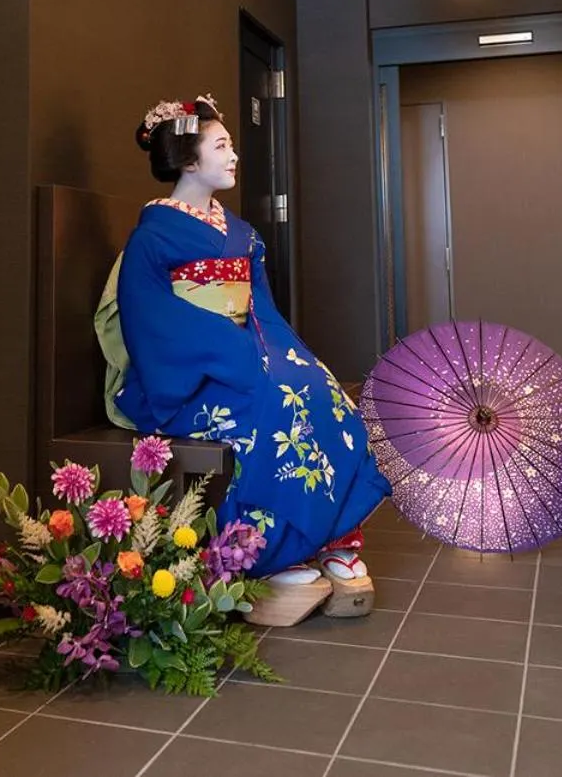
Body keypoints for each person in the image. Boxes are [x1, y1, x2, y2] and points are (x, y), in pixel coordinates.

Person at [95, 96, 389, 626]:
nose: (233, 157)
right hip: (189, 372)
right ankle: (265, 554)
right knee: (270, 412)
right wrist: (236, 354)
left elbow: (264, 313)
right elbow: (153, 322)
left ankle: (331, 537)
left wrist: (292, 357)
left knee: (323, 393)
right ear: (189, 160)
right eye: (222, 146)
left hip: (241, 354)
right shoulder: (152, 238)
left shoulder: (242, 233)